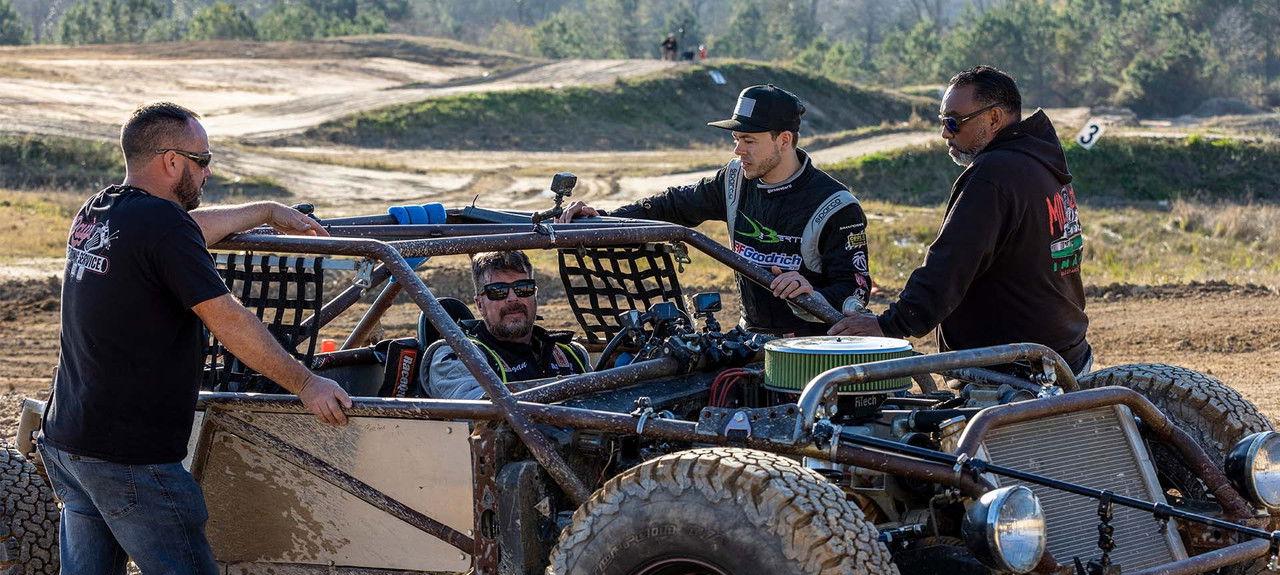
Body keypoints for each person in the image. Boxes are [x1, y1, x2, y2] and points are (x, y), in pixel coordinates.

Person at [38, 102, 352, 575]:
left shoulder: (103, 210)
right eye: (202, 163)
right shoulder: (160, 229)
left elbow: (188, 230)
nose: (206, 174)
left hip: (71, 438)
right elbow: (230, 322)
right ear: (171, 161)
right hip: (130, 455)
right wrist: (307, 383)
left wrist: (264, 211)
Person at [830, 66, 1092, 374]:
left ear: (994, 118)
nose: (945, 133)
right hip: (1065, 353)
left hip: (1014, 370)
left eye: (954, 121)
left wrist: (890, 325)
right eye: (942, 121)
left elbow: (950, 263)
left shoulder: (994, 174)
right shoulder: (1041, 164)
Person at [558, 84, 871, 337]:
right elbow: (672, 205)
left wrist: (811, 293)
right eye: (736, 139)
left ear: (784, 140)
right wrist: (604, 218)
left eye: (749, 140)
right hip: (749, 337)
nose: (738, 150)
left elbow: (856, 292)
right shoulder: (733, 178)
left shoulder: (836, 206)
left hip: (812, 347)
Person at [425, 250, 589, 399]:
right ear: (480, 304)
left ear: (535, 295)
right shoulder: (457, 356)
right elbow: (480, 414)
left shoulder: (571, 353)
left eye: (523, 288)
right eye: (498, 291)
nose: (513, 298)